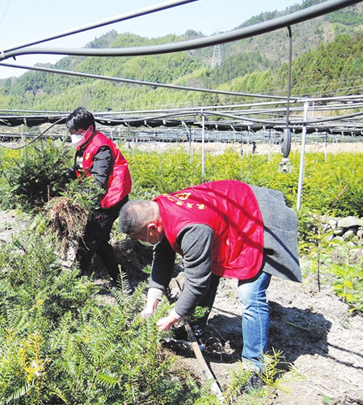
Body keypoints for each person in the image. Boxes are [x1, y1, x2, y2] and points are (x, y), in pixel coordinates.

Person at [118, 179, 302, 382]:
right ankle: (194, 334)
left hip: (256, 216)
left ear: (152, 228)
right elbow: (162, 258)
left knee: (251, 295)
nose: (140, 243)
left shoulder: (190, 228)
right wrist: (150, 305)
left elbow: (197, 282)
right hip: (227, 214)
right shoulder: (160, 210)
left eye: (139, 238)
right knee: (207, 267)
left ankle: (254, 368)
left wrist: (174, 316)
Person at [63, 107, 133, 291]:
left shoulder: (102, 147)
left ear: (90, 129)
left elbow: (98, 182)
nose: (74, 135)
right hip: (100, 198)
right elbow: (81, 169)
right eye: (71, 132)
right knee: (100, 242)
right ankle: (122, 283)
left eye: (76, 131)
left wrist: (78, 198)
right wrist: (65, 175)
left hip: (110, 200)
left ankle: (73, 281)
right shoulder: (84, 145)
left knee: (90, 240)